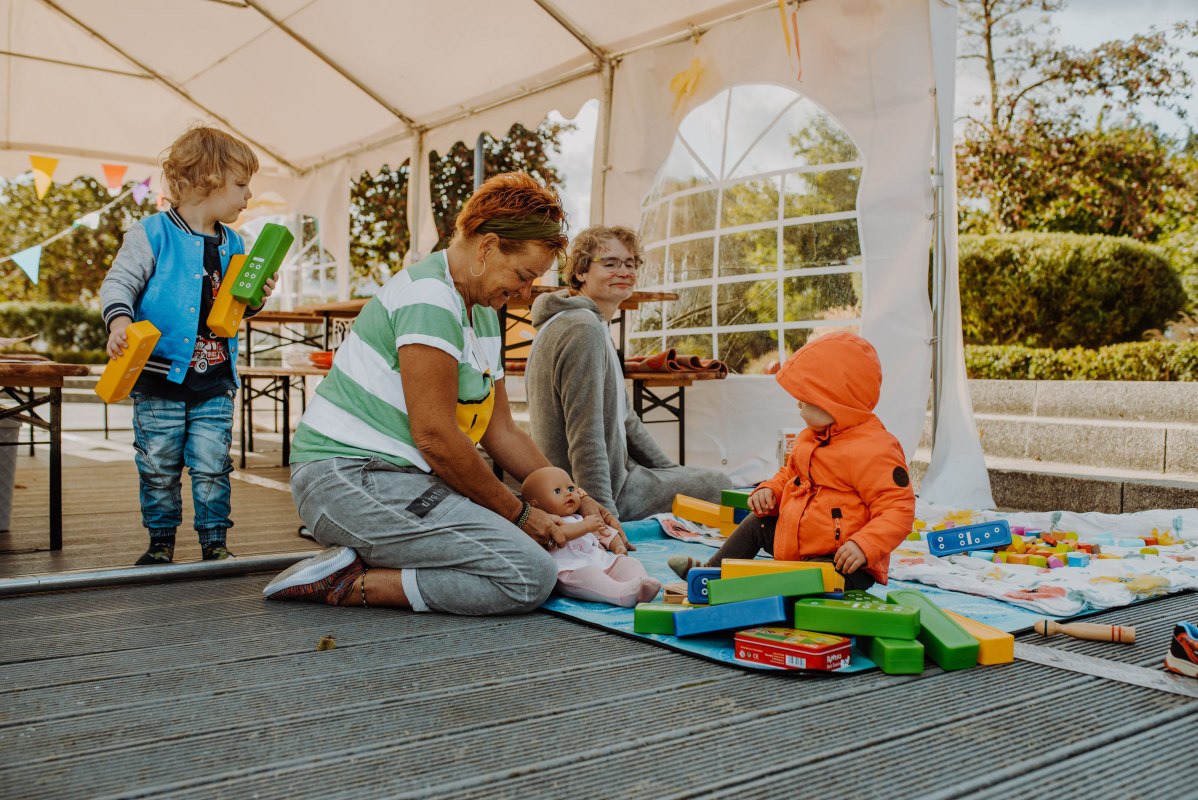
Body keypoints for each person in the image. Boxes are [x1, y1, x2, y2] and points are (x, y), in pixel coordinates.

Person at [264, 172, 626, 616]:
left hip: (404, 481)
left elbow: (503, 431)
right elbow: (434, 435)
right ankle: (348, 582)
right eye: (523, 275)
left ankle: (370, 554)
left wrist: (578, 494)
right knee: (528, 575)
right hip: (344, 479)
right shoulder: (430, 298)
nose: (525, 292)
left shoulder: (483, 310)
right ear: (488, 247)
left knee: (537, 552)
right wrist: (519, 514)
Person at [101, 126, 273, 566]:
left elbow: (234, 310)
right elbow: (119, 282)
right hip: (158, 379)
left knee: (213, 464)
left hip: (215, 380)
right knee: (158, 465)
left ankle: (214, 541)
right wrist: (120, 321)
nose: (248, 195)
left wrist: (256, 297)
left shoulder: (235, 243)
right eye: (241, 184)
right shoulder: (152, 234)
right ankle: (161, 542)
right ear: (206, 180)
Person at [668, 332, 915, 591]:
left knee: (806, 579)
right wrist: (770, 490)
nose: (798, 405)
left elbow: (898, 509)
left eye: (806, 398)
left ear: (837, 401)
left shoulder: (875, 449)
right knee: (756, 524)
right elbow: (790, 475)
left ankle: (749, 588)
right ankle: (710, 574)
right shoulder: (810, 437)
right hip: (798, 543)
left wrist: (864, 545)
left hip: (842, 562)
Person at [525, 225, 731, 521]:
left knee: (696, 477)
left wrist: (669, 471)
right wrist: (602, 517)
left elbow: (625, 417)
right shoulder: (582, 329)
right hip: (591, 494)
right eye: (609, 263)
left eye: (630, 263)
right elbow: (586, 436)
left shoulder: (580, 322)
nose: (624, 271)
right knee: (721, 486)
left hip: (616, 477)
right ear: (581, 272)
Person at [522, 466, 661, 607]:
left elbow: (605, 532)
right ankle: (621, 593)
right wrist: (587, 526)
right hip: (572, 571)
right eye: (557, 491)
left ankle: (642, 584)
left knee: (628, 563)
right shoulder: (544, 525)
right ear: (536, 507)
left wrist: (617, 545)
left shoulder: (580, 518)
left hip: (599, 561)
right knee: (591, 576)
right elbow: (560, 536)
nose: (568, 494)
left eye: (571, 489)